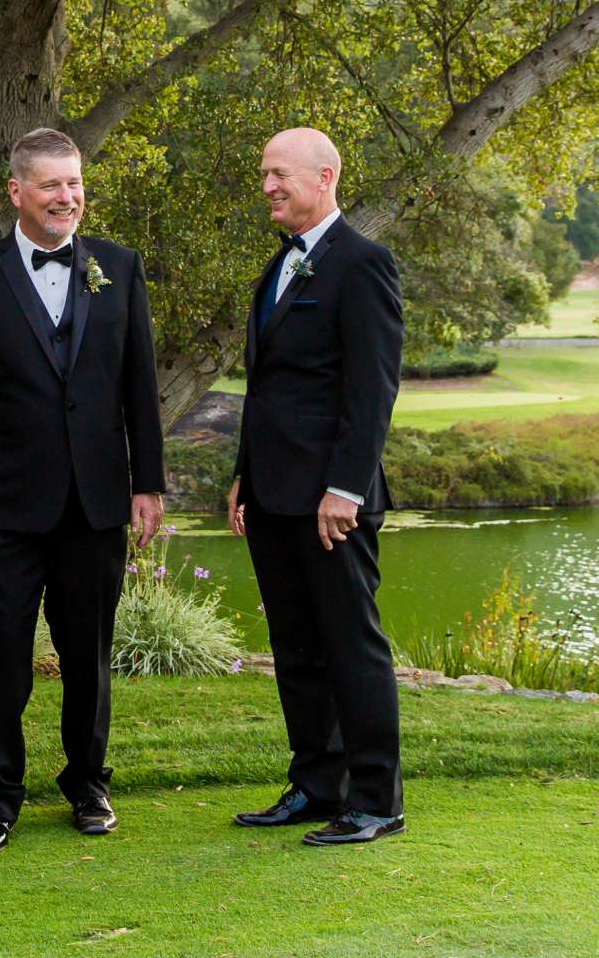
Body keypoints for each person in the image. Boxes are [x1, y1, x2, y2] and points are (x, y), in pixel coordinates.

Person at [0, 127, 166, 853]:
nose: (69, 198)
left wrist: (147, 483)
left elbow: (139, 386)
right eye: (53, 185)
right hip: (0, 505)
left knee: (89, 654)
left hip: (94, 503)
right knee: (1, 657)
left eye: (75, 184)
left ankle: (88, 784)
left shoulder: (119, 269)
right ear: (16, 193)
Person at [226, 126, 406, 845]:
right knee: (296, 647)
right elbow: (265, 388)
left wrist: (346, 489)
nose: (268, 186)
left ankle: (375, 799)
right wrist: (243, 472)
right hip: (272, 495)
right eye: (264, 174)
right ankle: (313, 785)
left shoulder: (362, 264)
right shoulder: (275, 269)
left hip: (333, 502)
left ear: (324, 176)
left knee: (351, 647)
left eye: (279, 174)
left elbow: (372, 392)